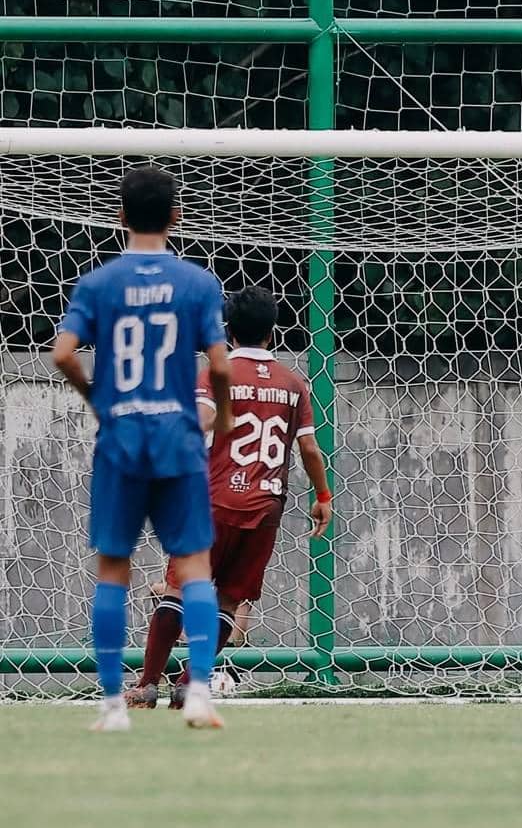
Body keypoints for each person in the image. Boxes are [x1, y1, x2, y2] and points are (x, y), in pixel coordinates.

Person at [52, 165, 232, 731]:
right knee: (195, 567)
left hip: (122, 436)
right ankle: (199, 693)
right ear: (177, 216)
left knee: (114, 569)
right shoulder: (199, 284)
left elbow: (61, 354)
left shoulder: (98, 284)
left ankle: (112, 706)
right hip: (177, 436)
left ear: (121, 216)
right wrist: (222, 414)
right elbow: (220, 366)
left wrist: (98, 398)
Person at [124, 285, 332, 709]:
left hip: (212, 503)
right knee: (228, 600)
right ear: (272, 332)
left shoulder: (214, 375)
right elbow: (309, 448)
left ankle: (147, 684)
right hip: (266, 508)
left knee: (176, 592)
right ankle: (189, 682)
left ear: (228, 331)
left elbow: (201, 418)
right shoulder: (293, 383)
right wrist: (323, 495)